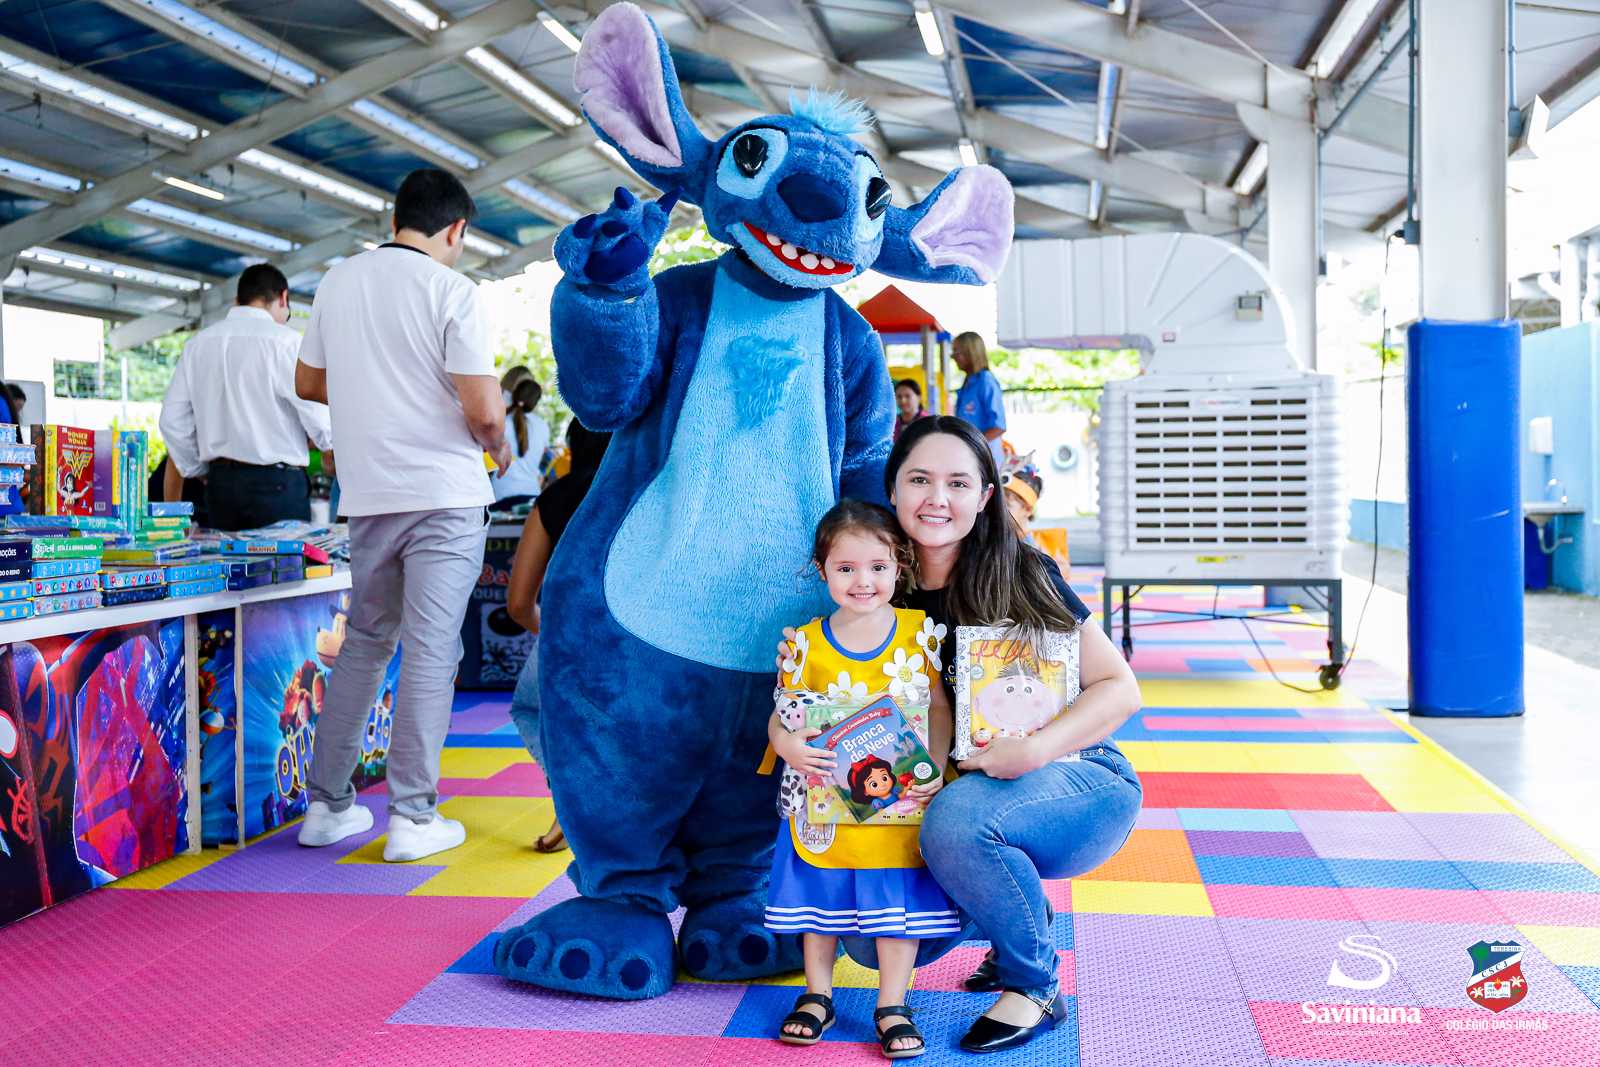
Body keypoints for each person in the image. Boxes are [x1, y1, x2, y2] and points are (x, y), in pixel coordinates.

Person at [777, 417, 1143, 1054]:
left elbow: (1121, 687)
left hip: (1077, 779)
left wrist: (1033, 749)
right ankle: (1017, 912)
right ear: (893, 489)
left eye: (958, 483)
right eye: (920, 480)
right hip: (943, 790)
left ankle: (1034, 985)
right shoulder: (878, 582)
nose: (937, 499)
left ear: (986, 495)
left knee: (956, 823)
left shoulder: (1019, 570)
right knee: (866, 940)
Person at [294, 168, 512, 864]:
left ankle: (327, 806)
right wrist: (499, 445)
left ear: (397, 220)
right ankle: (413, 815)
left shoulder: (338, 281)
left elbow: (307, 382)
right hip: (444, 494)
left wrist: (373, 387)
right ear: (456, 229)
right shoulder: (452, 289)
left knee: (365, 642)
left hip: (369, 494)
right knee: (431, 647)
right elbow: (483, 409)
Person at [766, 501, 953, 1059]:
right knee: (821, 894)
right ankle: (817, 994)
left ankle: (892, 1003)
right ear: (821, 569)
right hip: (824, 801)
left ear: (900, 565)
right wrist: (786, 744)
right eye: (845, 568)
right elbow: (783, 714)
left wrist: (934, 767)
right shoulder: (804, 643)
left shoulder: (919, 635)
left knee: (897, 902)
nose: (862, 581)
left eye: (877, 566)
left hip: (900, 803)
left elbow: (938, 707)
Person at [158, 263, 333, 530]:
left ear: (238, 298)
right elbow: (318, 415)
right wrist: (329, 446)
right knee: (284, 559)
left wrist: (198, 470)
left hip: (221, 487)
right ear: (283, 298)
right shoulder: (286, 342)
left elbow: (172, 421)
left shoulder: (197, 345)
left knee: (225, 558)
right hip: (278, 485)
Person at [505, 420, 611, 853]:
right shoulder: (648, 494)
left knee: (530, 708)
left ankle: (569, 797)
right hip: (642, 641)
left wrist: (554, 633)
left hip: (570, 631)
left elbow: (518, 604)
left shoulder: (555, 498)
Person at [951, 332, 1006, 467]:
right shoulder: (968, 383)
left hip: (985, 461)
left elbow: (998, 426)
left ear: (970, 352)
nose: (953, 357)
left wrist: (972, 446)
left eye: (957, 351)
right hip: (970, 458)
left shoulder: (986, 381)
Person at [493, 377, 549, 507]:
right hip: (532, 495)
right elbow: (543, 459)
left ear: (514, 394)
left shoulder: (500, 421)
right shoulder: (542, 426)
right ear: (535, 402)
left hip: (501, 494)